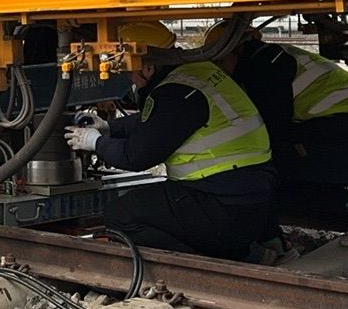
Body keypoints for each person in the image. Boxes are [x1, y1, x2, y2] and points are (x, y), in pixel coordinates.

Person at [64, 21, 277, 261]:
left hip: (223, 206)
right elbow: (159, 121)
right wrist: (108, 127)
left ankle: (205, 264)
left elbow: (135, 157)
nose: (128, 78)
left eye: (127, 70)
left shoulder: (176, 92)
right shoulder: (197, 73)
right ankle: (238, 251)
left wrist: (96, 143)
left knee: (119, 215)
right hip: (249, 198)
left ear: (148, 67)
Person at [204, 21, 348, 246]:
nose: (221, 70)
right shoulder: (273, 58)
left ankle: (270, 241)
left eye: (219, 61)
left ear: (233, 50)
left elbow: (270, 130)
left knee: (256, 175)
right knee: (269, 176)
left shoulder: (265, 64)